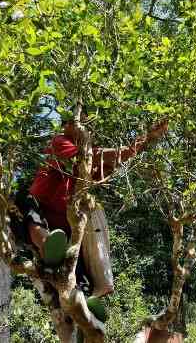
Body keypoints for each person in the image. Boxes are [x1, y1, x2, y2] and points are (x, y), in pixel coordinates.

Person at [21, 117, 169, 297]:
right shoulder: (59, 142)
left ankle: (94, 287)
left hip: (66, 225)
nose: (83, 129)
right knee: (28, 209)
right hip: (41, 209)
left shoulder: (87, 168)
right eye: (78, 125)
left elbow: (108, 163)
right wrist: (136, 144)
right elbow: (93, 156)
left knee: (92, 209)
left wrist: (145, 140)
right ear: (67, 127)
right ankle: (47, 246)